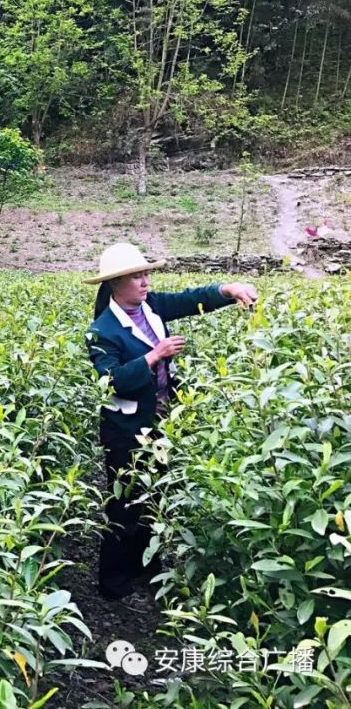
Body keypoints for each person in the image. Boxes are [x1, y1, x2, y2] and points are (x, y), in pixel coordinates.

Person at [84, 242, 257, 600]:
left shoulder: (152, 308)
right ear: (115, 283)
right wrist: (154, 356)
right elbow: (111, 381)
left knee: (154, 498)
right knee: (124, 504)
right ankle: (113, 583)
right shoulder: (101, 331)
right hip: (126, 431)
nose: (145, 282)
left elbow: (190, 300)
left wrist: (228, 290)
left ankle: (146, 571)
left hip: (160, 422)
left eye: (147, 274)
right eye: (137, 276)